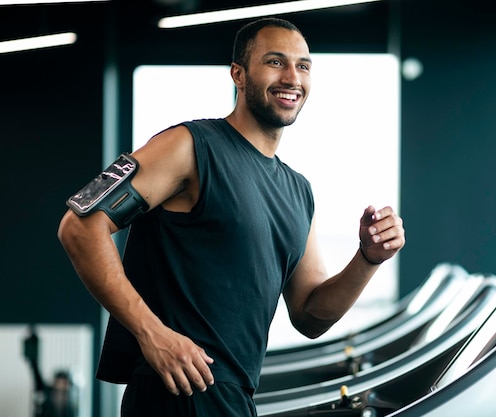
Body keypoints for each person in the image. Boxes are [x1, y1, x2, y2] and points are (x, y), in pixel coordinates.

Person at [57, 17, 405, 416]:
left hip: (236, 399)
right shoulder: (188, 146)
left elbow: (310, 315)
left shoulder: (298, 190)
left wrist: (367, 259)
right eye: (275, 62)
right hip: (176, 394)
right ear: (238, 74)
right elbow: (81, 226)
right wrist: (152, 333)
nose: (292, 77)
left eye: (303, 65)